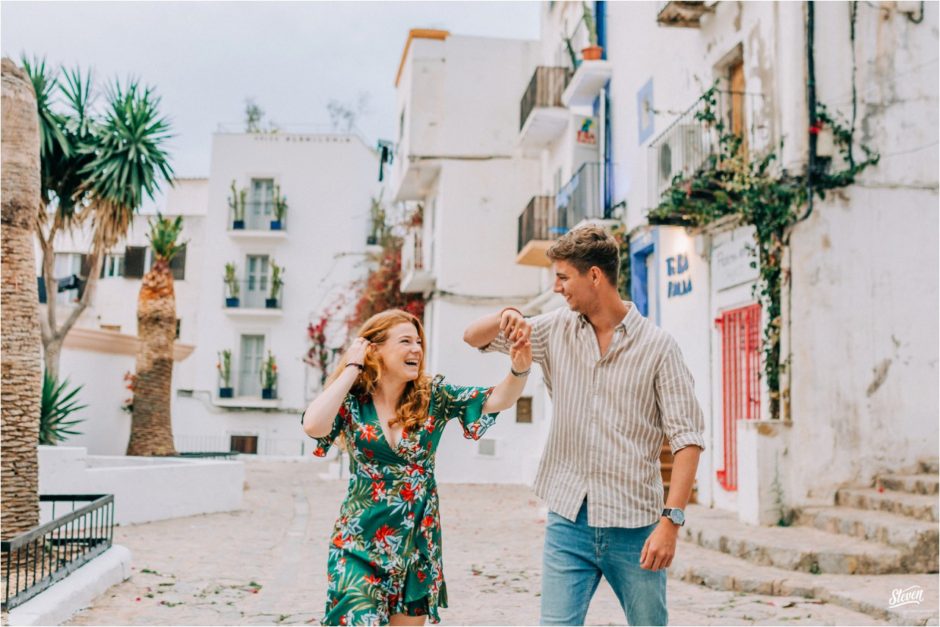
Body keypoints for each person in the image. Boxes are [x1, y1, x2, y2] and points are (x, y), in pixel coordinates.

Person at [463, 224, 705, 626]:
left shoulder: (659, 348)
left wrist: (671, 523)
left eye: (563, 277)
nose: (557, 287)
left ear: (594, 275)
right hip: (568, 520)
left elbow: (687, 440)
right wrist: (510, 314)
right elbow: (474, 338)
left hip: (635, 527)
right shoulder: (556, 329)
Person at [302, 309, 531, 626]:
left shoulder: (433, 396)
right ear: (375, 349)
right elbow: (313, 425)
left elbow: (496, 400)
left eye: (419, 342)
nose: (416, 349)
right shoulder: (353, 400)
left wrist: (519, 370)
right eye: (405, 341)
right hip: (357, 545)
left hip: (415, 548)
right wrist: (353, 367)